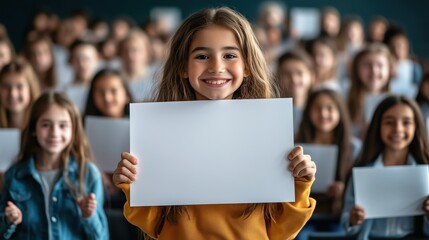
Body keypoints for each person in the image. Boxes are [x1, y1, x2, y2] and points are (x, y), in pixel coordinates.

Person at [112, 7, 316, 240]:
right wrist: (133, 183)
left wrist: (299, 182)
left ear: (247, 65)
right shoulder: (160, 132)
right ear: (182, 67)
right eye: (202, 56)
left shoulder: (267, 132)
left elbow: (281, 232)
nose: (216, 66)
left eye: (230, 55)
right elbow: (155, 225)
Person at [0, 92, 109, 239]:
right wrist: (9, 221)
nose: (54, 133)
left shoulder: (88, 174)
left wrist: (89, 217)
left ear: (74, 130)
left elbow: (102, 237)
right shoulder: (15, 175)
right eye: (46, 125)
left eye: (63, 125)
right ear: (33, 129)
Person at [341, 95, 429, 239]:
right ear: (378, 126)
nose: (398, 129)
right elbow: (346, 223)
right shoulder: (362, 171)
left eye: (406, 122)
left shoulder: (426, 173)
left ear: (416, 127)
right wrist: (353, 219)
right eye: (389, 122)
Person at [295, 89, 361, 239]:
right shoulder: (297, 147)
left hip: (338, 216)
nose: (323, 114)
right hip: (304, 216)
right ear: (308, 112)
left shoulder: (354, 148)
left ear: (340, 112)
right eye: (317, 108)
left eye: (330, 108)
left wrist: (344, 191)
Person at [347, 43, 394, 138]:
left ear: (389, 70)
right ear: (357, 68)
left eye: (380, 65)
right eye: (367, 65)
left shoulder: (395, 103)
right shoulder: (344, 99)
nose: (374, 71)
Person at [276, 49, 315, 133]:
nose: (294, 79)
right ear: (277, 77)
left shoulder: (319, 111)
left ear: (312, 76)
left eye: (300, 73)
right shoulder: (272, 113)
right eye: (286, 74)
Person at [0, 57, 40, 129]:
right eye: (6, 86)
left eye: (19, 86)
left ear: (30, 89)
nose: (12, 94)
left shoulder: (41, 123)